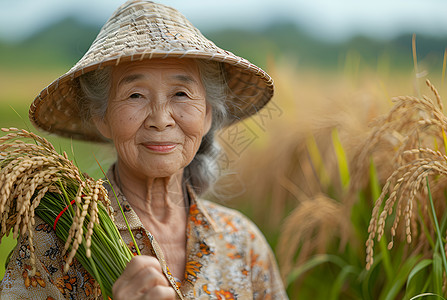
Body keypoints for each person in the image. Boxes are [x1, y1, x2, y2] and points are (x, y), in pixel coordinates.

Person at [0, 1, 287, 299]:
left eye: (181, 94)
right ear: (102, 118)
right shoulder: (57, 240)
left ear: (207, 116)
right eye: (135, 95)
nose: (160, 119)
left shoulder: (242, 242)